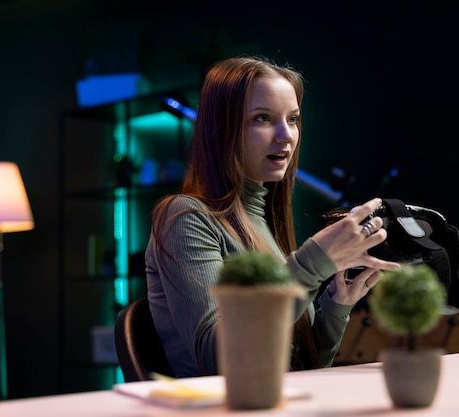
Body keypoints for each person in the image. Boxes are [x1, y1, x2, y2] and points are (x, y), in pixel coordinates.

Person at [145, 55, 401, 378]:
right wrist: (312, 264)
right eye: (263, 118)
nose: (286, 136)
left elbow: (302, 366)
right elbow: (222, 360)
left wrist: (337, 305)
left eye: (292, 119)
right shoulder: (185, 217)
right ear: (223, 127)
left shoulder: (262, 220)